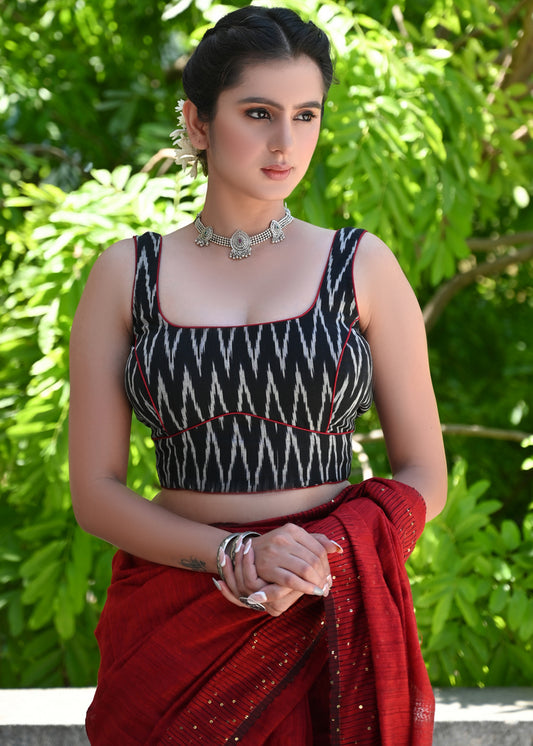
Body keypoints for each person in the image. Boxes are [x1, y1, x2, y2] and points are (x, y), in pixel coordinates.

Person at [69, 6, 447, 745]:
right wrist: (235, 556)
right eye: (258, 113)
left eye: (306, 115)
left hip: (322, 610)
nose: (286, 143)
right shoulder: (127, 275)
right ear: (198, 122)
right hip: (177, 615)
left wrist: (318, 560)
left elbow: (423, 474)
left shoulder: (359, 266)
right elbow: (96, 491)